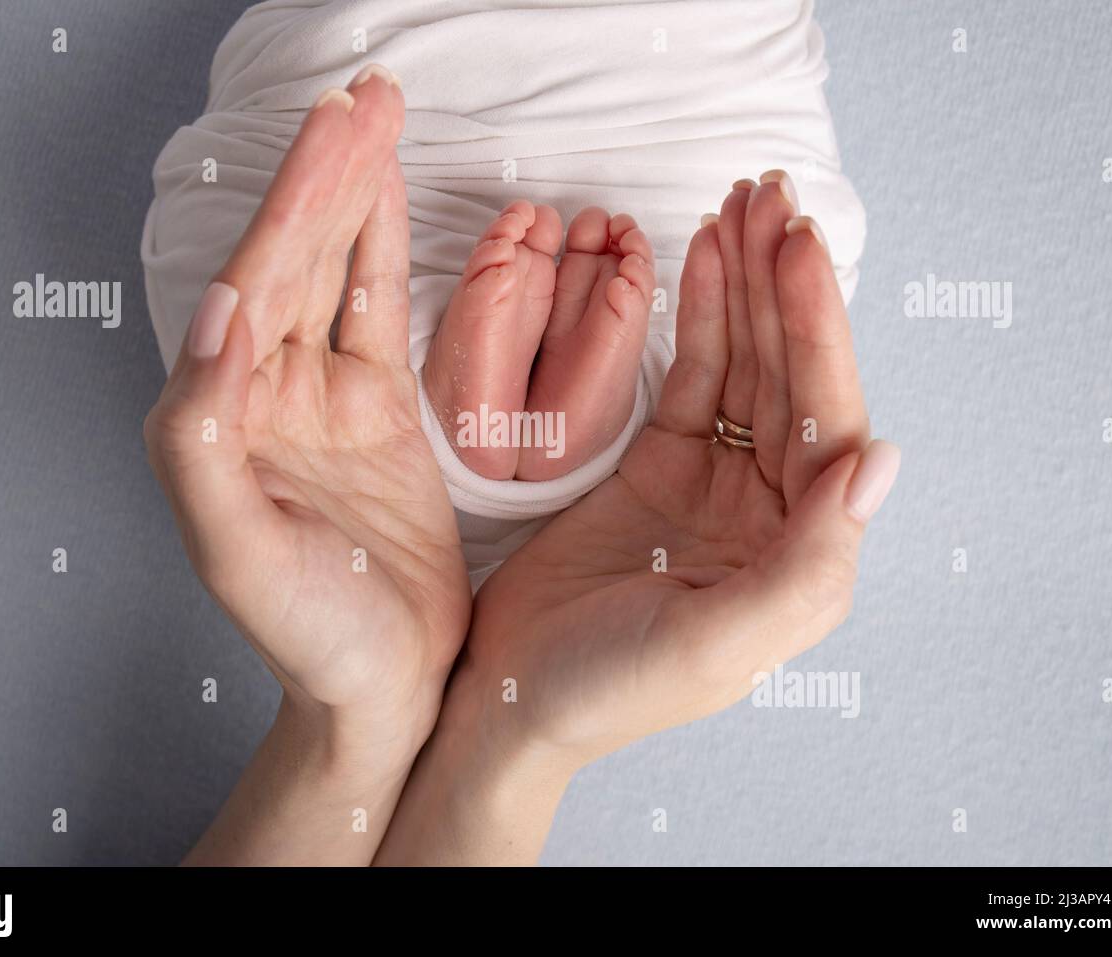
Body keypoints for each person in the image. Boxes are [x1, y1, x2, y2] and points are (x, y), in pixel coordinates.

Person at [142, 68, 899, 865]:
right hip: (333, 422)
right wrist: (496, 732)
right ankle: (523, 437)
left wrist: (366, 718)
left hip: (680, 177)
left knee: (764, 291)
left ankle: (535, 436)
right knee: (240, 311)